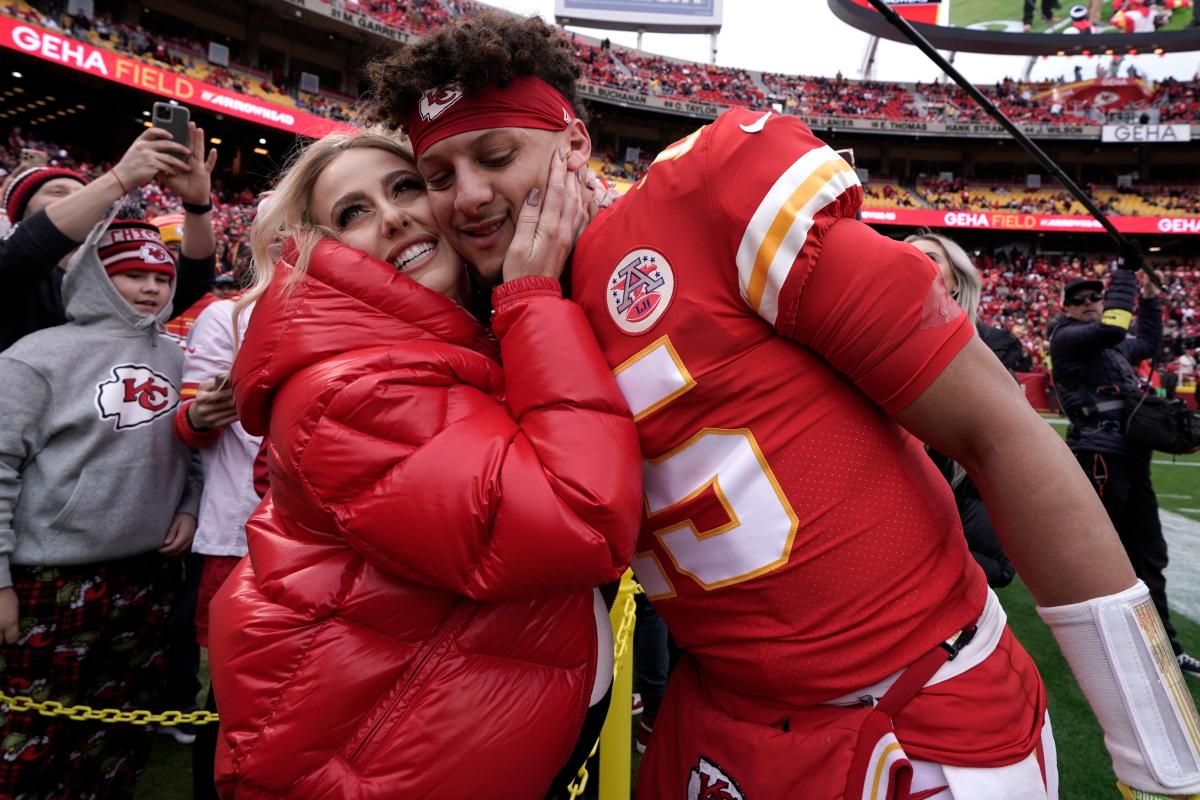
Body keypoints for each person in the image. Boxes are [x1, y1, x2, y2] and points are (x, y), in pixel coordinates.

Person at [366, 12, 1200, 799]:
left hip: (906, 711)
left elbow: (996, 429)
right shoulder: (500, 324)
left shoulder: (703, 201)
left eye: (498, 155)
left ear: (575, 142)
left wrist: (1157, 752)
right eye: (439, 176)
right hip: (715, 715)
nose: (467, 195)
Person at [207, 131, 642, 799]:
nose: (393, 215)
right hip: (375, 764)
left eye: (405, 187)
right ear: (320, 252)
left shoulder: (447, 340)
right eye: (353, 212)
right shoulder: (347, 391)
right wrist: (531, 294)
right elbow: (576, 516)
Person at [0, 213, 201, 798]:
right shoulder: (32, 357)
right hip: (50, 579)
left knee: (120, 724)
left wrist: (187, 505)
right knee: (34, 733)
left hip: (147, 573)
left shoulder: (178, 355)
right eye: (130, 273)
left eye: (162, 278)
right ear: (90, 275)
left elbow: (190, 446)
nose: (151, 288)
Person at [1050, 271, 1200, 676]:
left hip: (1132, 457)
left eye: (1094, 297)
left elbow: (1147, 341)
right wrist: (1125, 274)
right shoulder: (1066, 337)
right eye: (1079, 299)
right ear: (1066, 308)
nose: (1088, 303)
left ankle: (1165, 648)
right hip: (1099, 456)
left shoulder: (1111, 349)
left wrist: (1149, 298)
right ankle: (1091, 648)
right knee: (1099, 557)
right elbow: (1115, 329)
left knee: (1150, 554)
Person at [0, 123, 219, 351]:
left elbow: (194, 280)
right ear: (21, 213)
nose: (77, 200)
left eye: (82, 193)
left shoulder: (109, 278)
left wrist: (198, 205)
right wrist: (120, 177)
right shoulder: (13, 271)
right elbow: (27, 248)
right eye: (57, 192)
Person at [173, 295, 260, 800]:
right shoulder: (227, 314)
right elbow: (188, 422)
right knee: (234, 689)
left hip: (335, 531)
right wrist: (204, 413)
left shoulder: (364, 303)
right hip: (240, 530)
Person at [906, 232, 1018, 588]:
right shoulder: (869, 339)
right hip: (900, 487)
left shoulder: (994, 345)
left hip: (960, 486)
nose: (914, 262)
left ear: (956, 282)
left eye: (930, 257)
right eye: (905, 256)